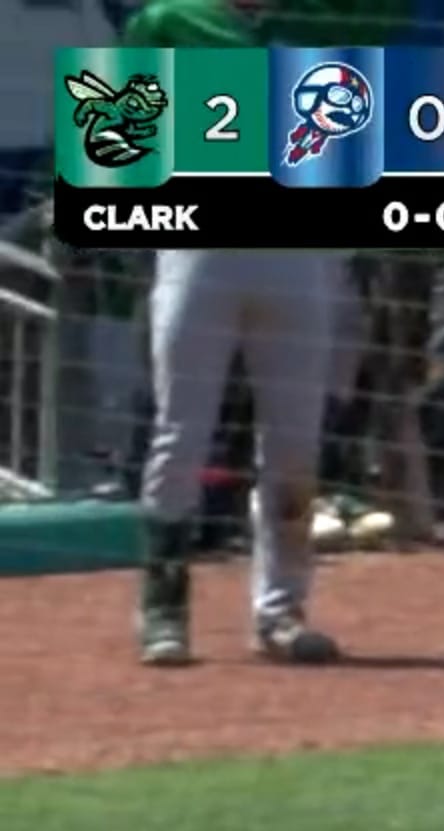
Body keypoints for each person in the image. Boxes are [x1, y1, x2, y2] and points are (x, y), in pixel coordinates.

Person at [124, 0, 356, 665]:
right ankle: (164, 608)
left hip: (300, 256)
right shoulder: (170, 19)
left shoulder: (319, 24)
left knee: (295, 443)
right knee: (181, 432)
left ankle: (281, 610)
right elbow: (115, 114)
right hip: (201, 248)